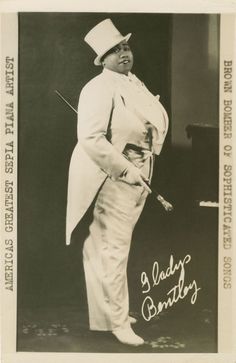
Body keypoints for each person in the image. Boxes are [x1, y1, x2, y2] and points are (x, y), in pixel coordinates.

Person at [66, 18, 169, 346]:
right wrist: (126, 170)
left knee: (111, 246)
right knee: (109, 247)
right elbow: (91, 139)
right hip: (110, 177)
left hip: (139, 175)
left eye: (125, 46)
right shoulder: (97, 88)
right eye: (114, 50)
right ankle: (115, 321)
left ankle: (111, 314)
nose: (123, 53)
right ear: (102, 58)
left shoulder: (132, 82)